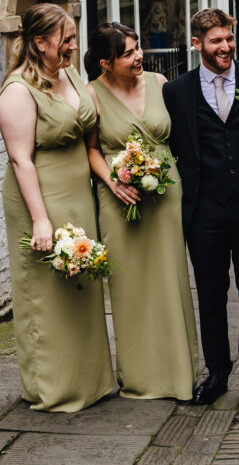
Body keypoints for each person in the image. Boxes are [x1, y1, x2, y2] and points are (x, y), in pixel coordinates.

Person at [0, 3, 116, 412]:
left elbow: (90, 127)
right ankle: (53, 386)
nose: (72, 46)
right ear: (39, 42)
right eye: (65, 40)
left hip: (76, 192)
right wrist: (41, 220)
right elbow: (20, 159)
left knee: (81, 282)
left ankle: (90, 380)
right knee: (46, 291)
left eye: (72, 37)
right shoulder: (17, 91)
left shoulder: (68, 73)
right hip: (39, 195)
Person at [162, 9, 239, 405]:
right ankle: (216, 373)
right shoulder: (176, 91)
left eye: (229, 39)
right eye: (216, 41)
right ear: (197, 43)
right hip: (204, 209)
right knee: (211, 294)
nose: (226, 47)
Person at [84, 23, 198, 401]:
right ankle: (140, 375)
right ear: (106, 63)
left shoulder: (160, 82)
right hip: (119, 197)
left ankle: (178, 374)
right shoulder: (92, 95)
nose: (139, 57)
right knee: (130, 285)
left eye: (138, 48)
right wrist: (113, 182)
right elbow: (91, 150)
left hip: (166, 193)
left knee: (170, 279)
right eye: (128, 53)